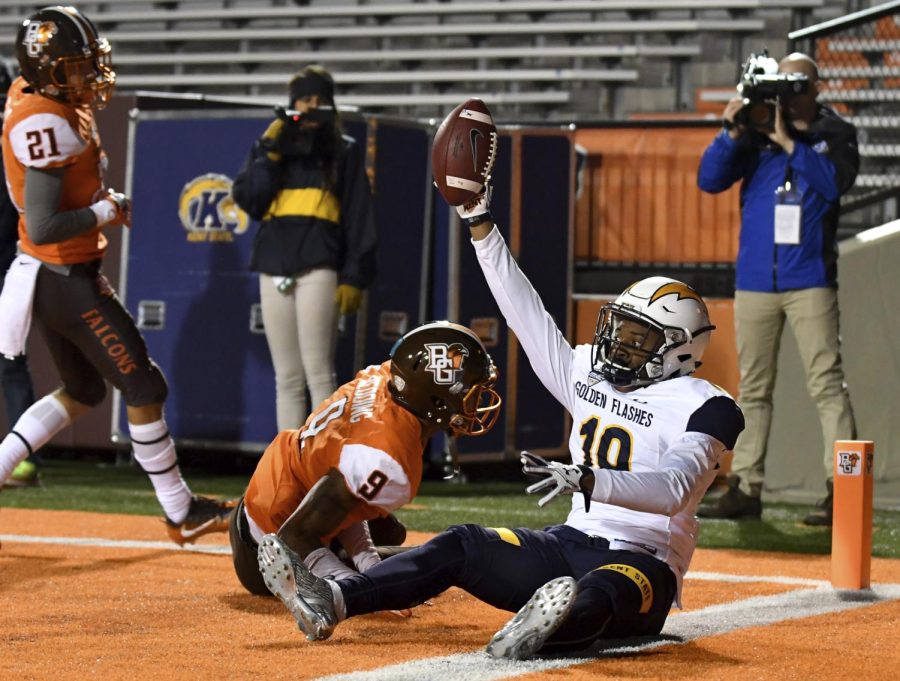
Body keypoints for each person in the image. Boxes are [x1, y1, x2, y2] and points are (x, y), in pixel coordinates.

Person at [255, 185, 745, 659]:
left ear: (680, 348)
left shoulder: (707, 405)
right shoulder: (589, 374)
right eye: (618, 330)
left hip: (643, 562)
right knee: (463, 543)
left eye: (638, 338)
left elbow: (676, 487)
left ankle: (539, 635)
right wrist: (480, 225)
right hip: (568, 542)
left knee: (595, 592)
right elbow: (525, 314)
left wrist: (591, 480)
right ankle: (334, 600)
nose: (618, 345)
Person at [0, 6, 234, 544]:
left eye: (88, 65)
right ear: (45, 73)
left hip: (55, 274)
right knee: (144, 383)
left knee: (83, 389)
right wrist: (107, 210)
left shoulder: (51, 101)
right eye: (73, 69)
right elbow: (44, 222)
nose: (87, 77)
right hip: (63, 275)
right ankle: (180, 510)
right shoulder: (43, 121)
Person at [696, 52, 859, 526]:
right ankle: (746, 487)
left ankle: (844, 488)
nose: (790, 95)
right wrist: (730, 132)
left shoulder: (834, 134)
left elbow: (835, 185)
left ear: (815, 88)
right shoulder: (753, 132)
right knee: (754, 389)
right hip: (755, 281)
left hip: (809, 278)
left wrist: (791, 144)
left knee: (827, 384)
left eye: (799, 85)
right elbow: (709, 179)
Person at [228, 320, 501, 596]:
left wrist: (368, 559)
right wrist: (357, 588)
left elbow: (346, 486)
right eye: (472, 392)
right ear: (437, 399)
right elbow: (293, 537)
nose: (477, 402)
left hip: (275, 491)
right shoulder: (383, 454)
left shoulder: (388, 378)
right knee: (422, 562)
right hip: (267, 550)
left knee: (389, 532)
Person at [232, 64, 377, 432]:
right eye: (305, 99)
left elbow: (359, 214)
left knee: (319, 372)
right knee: (287, 378)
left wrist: (355, 275)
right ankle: (287, 468)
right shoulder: (271, 148)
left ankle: (324, 464)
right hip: (274, 264)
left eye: (320, 100)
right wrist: (270, 152)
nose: (312, 107)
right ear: (292, 103)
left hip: (319, 266)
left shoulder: (344, 151)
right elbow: (250, 200)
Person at [0, 56, 40, 487]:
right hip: (11, 259)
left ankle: (21, 458)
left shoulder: (16, 134)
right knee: (11, 361)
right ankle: (21, 458)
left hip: (9, 259)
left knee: (10, 360)